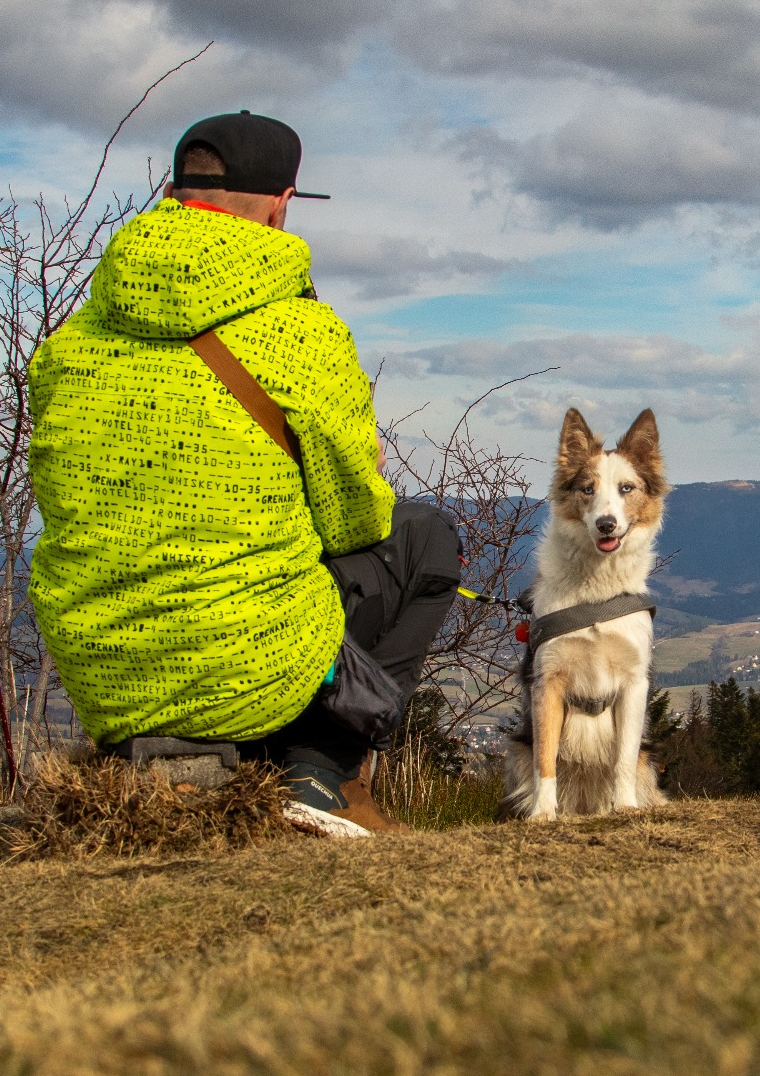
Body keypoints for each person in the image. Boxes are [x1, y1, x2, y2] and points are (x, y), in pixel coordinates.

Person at [27, 111, 460, 830]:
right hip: (253, 666)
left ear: (172, 193)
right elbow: (356, 520)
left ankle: (186, 756)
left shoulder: (76, 337)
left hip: (110, 674)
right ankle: (315, 771)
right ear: (282, 203)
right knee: (425, 539)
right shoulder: (301, 331)